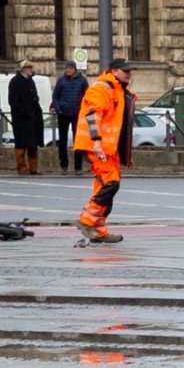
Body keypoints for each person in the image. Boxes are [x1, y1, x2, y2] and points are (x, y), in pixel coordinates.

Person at [75, 57, 133, 243]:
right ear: (114, 71)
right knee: (111, 184)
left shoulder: (118, 91)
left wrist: (124, 154)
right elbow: (93, 115)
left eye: (130, 71)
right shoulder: (102, 88)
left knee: (104, 188)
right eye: (126, 71)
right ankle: (86, 220)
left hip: (109, 149)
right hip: (96, 147)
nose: (129, 75)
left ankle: (100, 230)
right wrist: (97, 142)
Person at [8, 63, 47, 176]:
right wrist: (22, 112)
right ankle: (22, 167)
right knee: (21, 144)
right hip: (21, 119)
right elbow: (13, 101)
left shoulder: (31, 81)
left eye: (31, 68)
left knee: (33, 144)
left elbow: (35, 98)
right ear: (23, 69)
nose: (31, 70)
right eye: (29, 68)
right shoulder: (15, 81)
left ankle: (33, 168)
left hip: (33, 118)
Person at [52, 59, 89, 173]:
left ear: (75, 69)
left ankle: (78, 167)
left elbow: (87, 96)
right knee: (62, 140)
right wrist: (59, 109)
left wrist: (83, 110)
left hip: (77, 113)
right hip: (63, 113)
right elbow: (55, 96)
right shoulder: (61, 81)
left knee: (78, 140)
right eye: (66, 68)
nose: (68, 70)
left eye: (70, 68)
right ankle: (64, 166)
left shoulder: (82, 80)